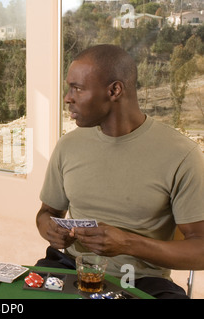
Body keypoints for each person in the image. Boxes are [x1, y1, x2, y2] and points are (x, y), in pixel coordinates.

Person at [36, 44, 204, 299]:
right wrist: (50, 229)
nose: (67, 97)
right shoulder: (68, 145)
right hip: (69, 268)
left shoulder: (182, 155)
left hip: (141, 281)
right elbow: (47, 213)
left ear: (114, 90)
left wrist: (128, 243)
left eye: (77, 88)